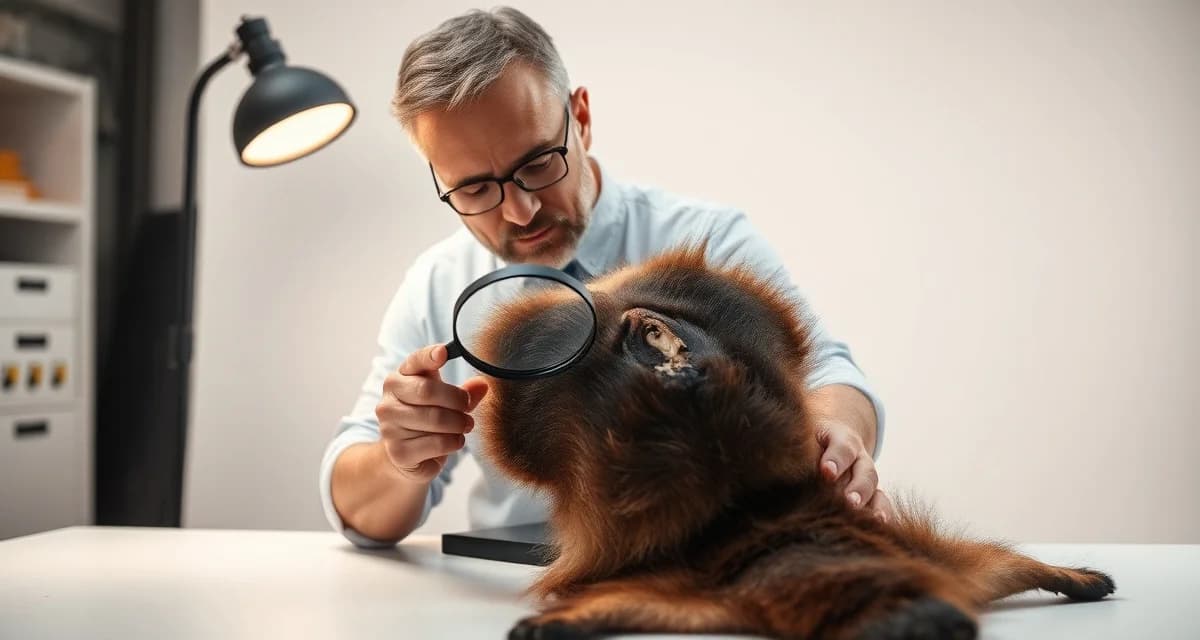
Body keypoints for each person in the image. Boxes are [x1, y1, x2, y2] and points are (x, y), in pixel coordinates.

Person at [320, 7, 890, 548]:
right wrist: (399, 458)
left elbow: (830, 374)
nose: (519, 212)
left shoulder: (708, 243)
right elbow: (359, 508)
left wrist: (832, 432)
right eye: (473, 189)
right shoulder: (438, 285)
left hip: (708, 571)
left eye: (539, 163)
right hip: (513, 598)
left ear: (582, 118)